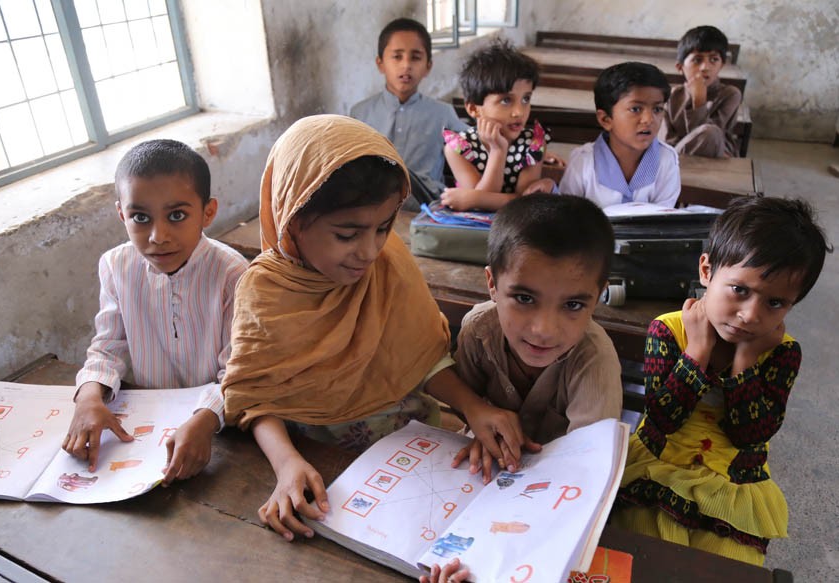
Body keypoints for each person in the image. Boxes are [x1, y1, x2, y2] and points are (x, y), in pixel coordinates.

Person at [221, 115, 536, 542]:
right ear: (292, 219)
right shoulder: (266, 292)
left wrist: (473, 407)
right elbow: (254, 398)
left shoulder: (389, 264)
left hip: (406, 448)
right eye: (347, 234)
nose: (369, 251)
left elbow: (421, 358)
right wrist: (287, 464)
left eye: (384, 227)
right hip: (314, 459)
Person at [611, 197, 831, 565]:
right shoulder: (668, 331)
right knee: (647, 556)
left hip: (734, 482)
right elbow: (662, 420)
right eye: (740, 290)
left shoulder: (782, 352)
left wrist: (745, 363)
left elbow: (751, 434)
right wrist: (697, 352)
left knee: (728, 567)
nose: (750, 315)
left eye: (775, 303)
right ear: (707, 270)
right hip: (657, 467)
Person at [63, 139, 249, 485]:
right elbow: (108, 347)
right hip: (150, 428)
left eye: (177, 216)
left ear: (208, 212)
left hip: (221, 429)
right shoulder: (116, 266)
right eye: (140, 218)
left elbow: (239, 372)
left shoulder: (232, 274)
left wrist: (206, 417)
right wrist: (89, 396)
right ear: (122, 214)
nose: (158, 236)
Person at [452, 194, 623, 482]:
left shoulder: (594, 360)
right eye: (524, 298)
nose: (544, 330)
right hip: (483, 474)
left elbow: (588, 465)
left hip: (557, 484)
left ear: (597, 297)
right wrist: (483, 432)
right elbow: (464, 404)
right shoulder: (479, 331)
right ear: (492, 284)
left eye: (573, 305)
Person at [350, 17, 468, 208]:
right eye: (397, 57)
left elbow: (475, 148)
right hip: (372, 208)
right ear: (380, 64)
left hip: (425, 208)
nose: (406, 65)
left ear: (428, 66)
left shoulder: (443, 114)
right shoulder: (360, 114)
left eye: (415, 57)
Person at [440, 39, 558, 212]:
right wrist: (498, 151)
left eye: (526, 99)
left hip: (516, 225)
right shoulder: (458, 148)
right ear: (474, 108)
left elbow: (524, 204)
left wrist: (473, 198)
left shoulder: (532, 144)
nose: (519, 112)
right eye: (506, 100)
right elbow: (480, 208)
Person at [559, 62, 680, 209]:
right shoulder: (583, 161)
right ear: (606, 120)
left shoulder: (666, 159)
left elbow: (664, 218)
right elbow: (568, 214)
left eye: (657, 109)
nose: (649, 119)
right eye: (635, 109)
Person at [664, 26, 742, 158]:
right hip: (678, 157)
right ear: (680, 67)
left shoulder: (730, 94)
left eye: (714, 59)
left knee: (711, 132)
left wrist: (699, 100)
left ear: (722, 65)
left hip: (717, 158)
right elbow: (666, 140)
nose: (705, 67)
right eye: (697, 60)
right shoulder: (671, 96)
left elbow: (710, 139)